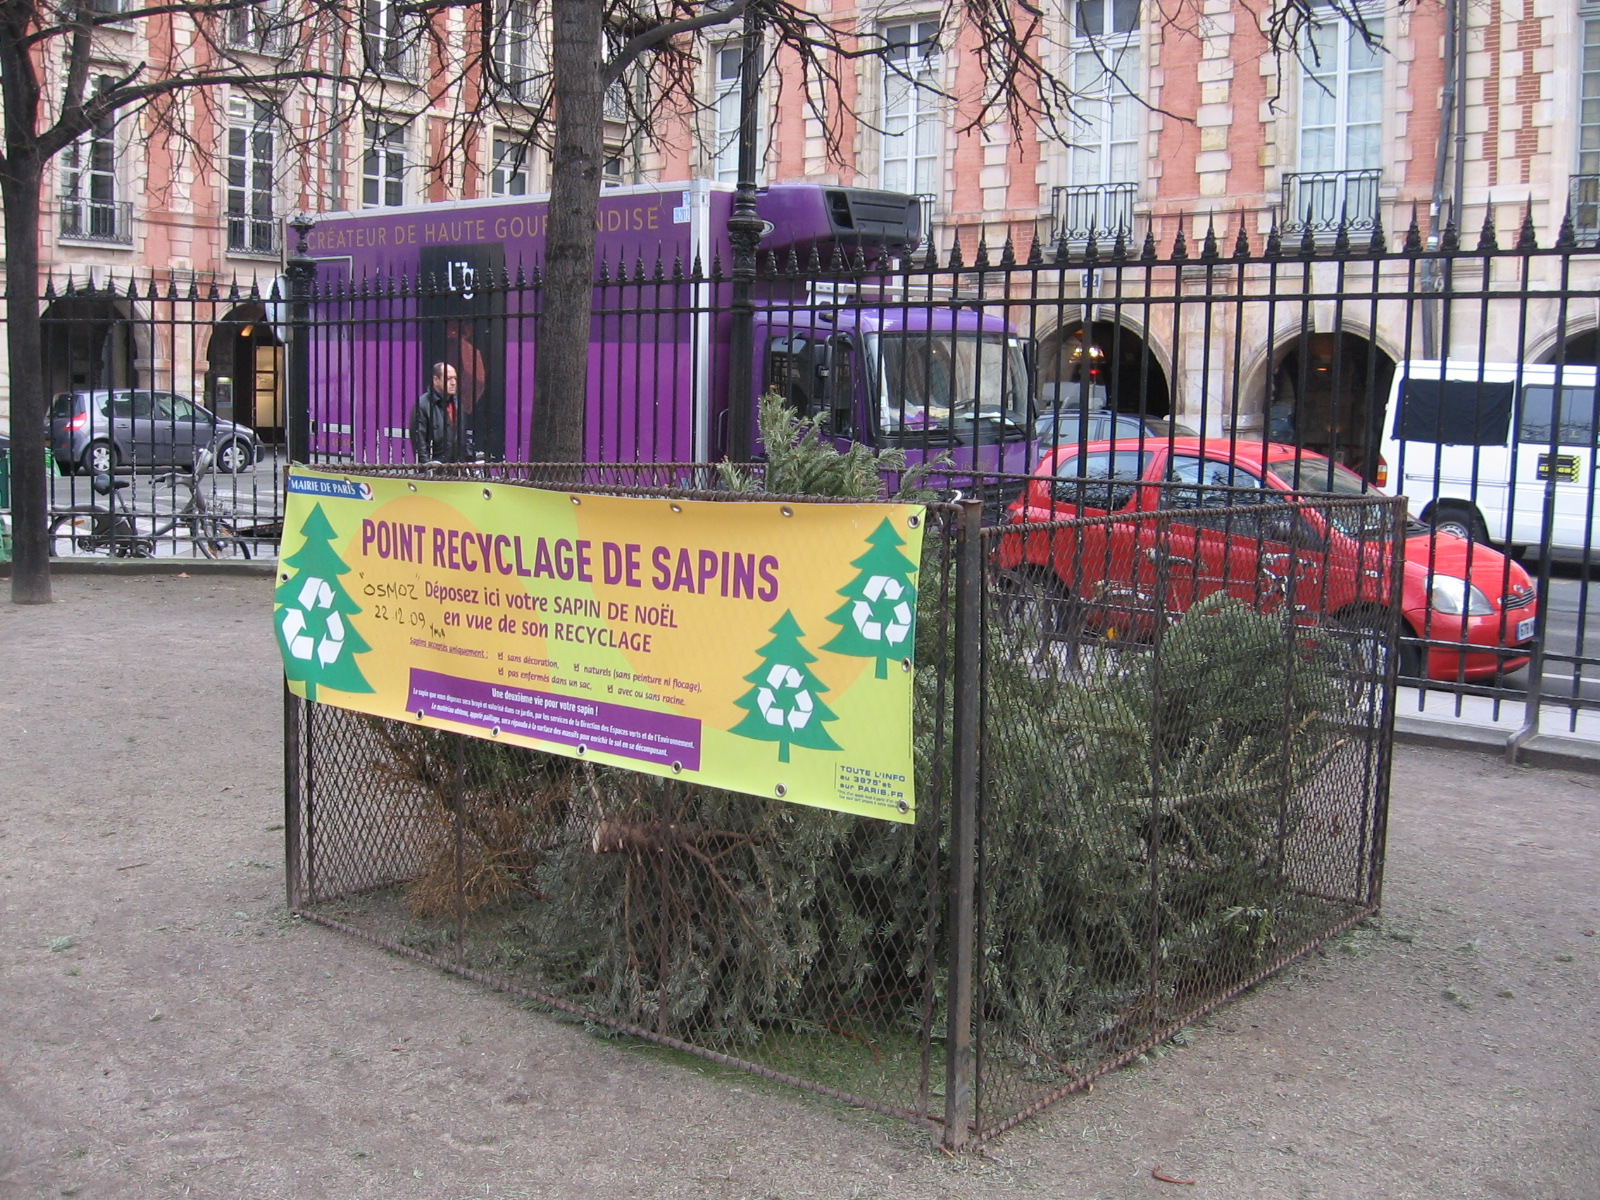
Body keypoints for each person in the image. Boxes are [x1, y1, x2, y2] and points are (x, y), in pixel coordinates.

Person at [410, 362, 467, 462]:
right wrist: (427, 467)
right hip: (435, 467)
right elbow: (419, 443)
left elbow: (462, 437)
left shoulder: (457, 404)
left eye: (455, 378)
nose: (453, 383)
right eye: (448, 379)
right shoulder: (423, 405)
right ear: (435, 380)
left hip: (457, 468)